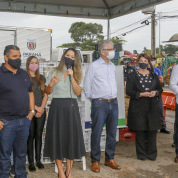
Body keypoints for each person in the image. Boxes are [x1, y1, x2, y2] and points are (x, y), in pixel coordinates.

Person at [0, 45, 35, 177]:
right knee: (4, 156)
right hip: (5, 123)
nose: (18, 59)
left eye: (19, 56)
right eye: (15, 56)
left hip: (24, 121)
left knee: (20, 154)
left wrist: (31, 112)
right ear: (6, 57)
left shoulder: (24, 74)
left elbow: (30, 92)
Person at [44, 48, 86, 178]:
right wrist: (50, 84)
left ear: (76, 59)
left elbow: (78, 93)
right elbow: (47, 91)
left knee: (71, 138)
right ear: (63, 56)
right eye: (68, 55)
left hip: (72, 107)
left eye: (73, 57)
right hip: (57, 107)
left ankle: (69, 171)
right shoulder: (54, 71)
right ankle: (60, 172)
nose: (70, 58)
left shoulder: (78, 73)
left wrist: (72, 77)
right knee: (57, 138)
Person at [83, 40, 121, 173]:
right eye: (110, 49)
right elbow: (87, 85)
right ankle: (95, 160)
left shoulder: (112, 66)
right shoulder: (93, 66)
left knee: (112, 132)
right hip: (100, 103)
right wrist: (93, 98)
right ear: (102, 52)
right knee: (97, 132)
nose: (113, 51)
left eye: (113, 49)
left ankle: (109, 158)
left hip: (113, 102)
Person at [126, 53, 163, 161]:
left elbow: (160, 89)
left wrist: (155, 92)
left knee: (152, 130)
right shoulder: (132, 75)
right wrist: (141, 94)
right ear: (138, 62)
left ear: (149, 63)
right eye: (141, 61)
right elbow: (129, 91)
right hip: (138, 107)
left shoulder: (153, 75)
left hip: (152, 106)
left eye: (145, 61)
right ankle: (141, 154)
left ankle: (152, 154)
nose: (143, 63)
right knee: (140, 130)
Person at [26, 56, 48, 171]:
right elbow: (25, 96)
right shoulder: (24, 77)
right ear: (27, 64)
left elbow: (45, 94)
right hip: (29, 111)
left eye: (36, 62)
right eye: (32, 62)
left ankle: (38, 160)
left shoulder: (42, 78)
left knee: (39, 135)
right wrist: (34, 109)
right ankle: (30, 162)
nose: (34, 64)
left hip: (41, 111)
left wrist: (41, 108)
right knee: (30, 136)